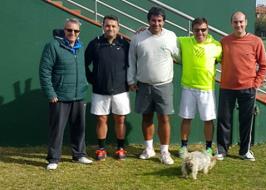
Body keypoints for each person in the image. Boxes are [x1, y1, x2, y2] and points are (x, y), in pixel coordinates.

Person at [39, 18, 93, 170]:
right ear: (64, 30)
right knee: (57, 130)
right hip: (60, 96)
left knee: (79, 128)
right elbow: (44, 71)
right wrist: (50, 93)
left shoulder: (80, 47)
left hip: (78, 95)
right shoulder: (53, 46)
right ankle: (54, 159)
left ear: (79, 33)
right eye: (69, 30)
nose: (72, 33)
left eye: (76, 31)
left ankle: (79, 155)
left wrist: (84, 85)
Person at [127, 7, 178, 165]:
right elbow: (131, 60)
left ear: (164, 21)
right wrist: (131, 80)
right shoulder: (138, 37)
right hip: (143, 85)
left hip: (164, 85)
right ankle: (148, 149)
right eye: (153, 20)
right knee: (146, 117)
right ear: (148, 21)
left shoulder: (171, 36)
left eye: (159, 20)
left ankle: (164, 152)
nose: (156, 23)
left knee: (164, 118)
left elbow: (178, 55)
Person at [216, 11, 266, 161]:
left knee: (246, 121)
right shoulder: (224, 41)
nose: (238, 25)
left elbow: (264, 66)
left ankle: (244, 150)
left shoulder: (256, 41)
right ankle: (221, 150)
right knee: (224, 120)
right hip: (226, 87)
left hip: (248, 88)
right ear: (231, 23)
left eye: (241, 22)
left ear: (246, 22)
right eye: (235, 22)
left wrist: (256, 84)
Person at [85, 15, 130, 160]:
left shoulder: (125, 45)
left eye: (113, 26)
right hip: (100, 90)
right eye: (107, 25)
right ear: (102, 26)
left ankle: (120, 148)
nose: (110, 28)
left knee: (120, 119)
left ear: (118, 28)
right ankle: (101, 149)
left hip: (120, 90)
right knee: (101, 119)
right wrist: (93, 79)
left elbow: (132, 65)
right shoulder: (95, 44)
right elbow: (84, 63)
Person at [177, 18, 222, 158]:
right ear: (192, 30)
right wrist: (144, 29)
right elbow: (164, 37)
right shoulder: (183, 41)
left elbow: (224, 60)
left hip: (207, 89)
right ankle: (184, 147)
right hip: (188, 88)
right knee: (186, 118)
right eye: (197, 30)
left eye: (203, 29)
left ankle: (208, 148)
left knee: (208, 120)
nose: (200, 33)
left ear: (207, 30)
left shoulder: (216, 46)